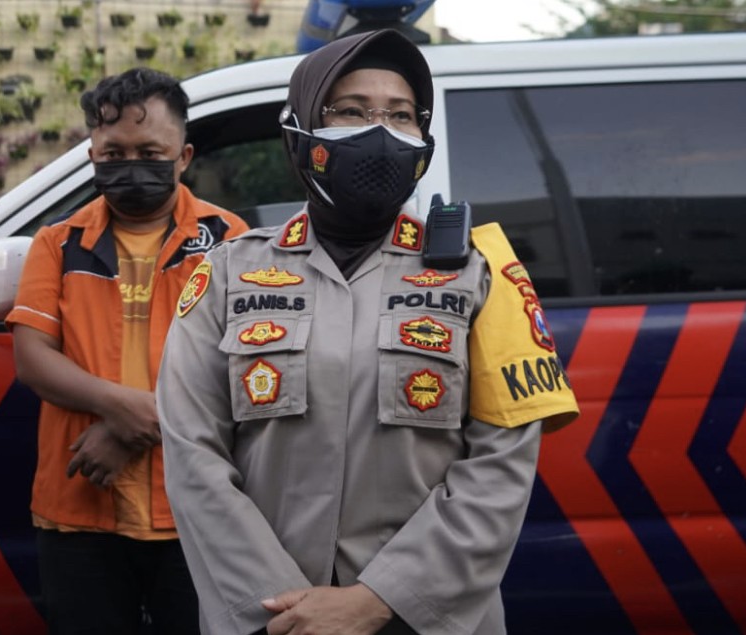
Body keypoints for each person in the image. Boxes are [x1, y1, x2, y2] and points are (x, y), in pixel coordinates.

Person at [157, 30, 580, 635]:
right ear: (300, 133)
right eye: (351, 111)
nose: (379, 132)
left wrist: (380, 599)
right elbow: (192, 454)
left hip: (425, 618)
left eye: (401, 116)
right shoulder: (227, 273)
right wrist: (283, 607)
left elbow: (502, 464)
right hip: (274, 622)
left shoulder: (480, 275)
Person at [5, 68, 249, 634]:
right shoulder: (58, 242)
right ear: (91, 152)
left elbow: (242, 367)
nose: (130, 163)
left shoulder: (231, 240)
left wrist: (127, 427)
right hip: (79, 509)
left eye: (150, 150)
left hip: (201, 511)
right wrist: (123, 407)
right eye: (113, 152)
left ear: (183, 155)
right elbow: (32, 358)